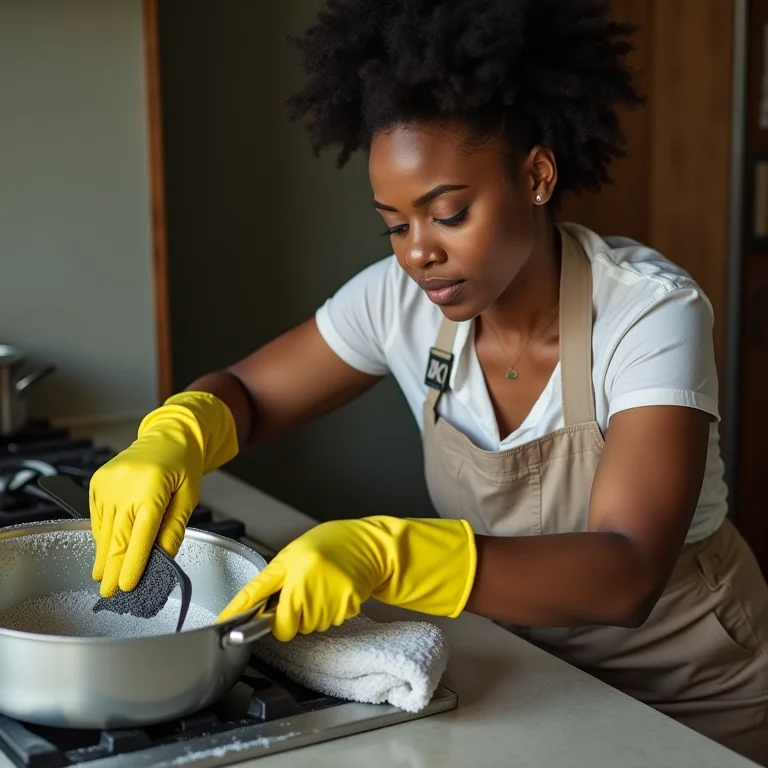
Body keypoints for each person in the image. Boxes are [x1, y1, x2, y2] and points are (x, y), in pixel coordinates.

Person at [89, 0, 768, 761]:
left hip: (689, 689)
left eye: (448, 213)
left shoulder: (650, 313)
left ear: (537, 175)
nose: (418, 253)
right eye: (395, 224)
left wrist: (391, 554)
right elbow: (248, 395)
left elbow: (627, 571)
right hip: (526, 671)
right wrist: (178, 433)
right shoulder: (400, 301)